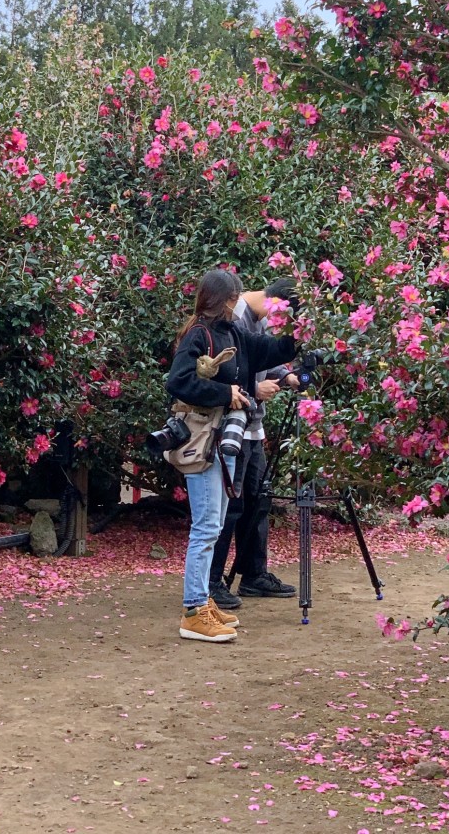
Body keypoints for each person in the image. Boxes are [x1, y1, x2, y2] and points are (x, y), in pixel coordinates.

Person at [166, 268, 296, 643]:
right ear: (220, 299)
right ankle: (194, 610)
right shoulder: (198, 335)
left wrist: (297, 331)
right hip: (205, 440)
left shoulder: (234, 333)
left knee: (217, 520)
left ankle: (203, 601)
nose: (237, 302)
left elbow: (268, 351)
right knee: (206, 526)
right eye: (232, 296)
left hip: (227, 440)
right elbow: (178, 381)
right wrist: (226, 395)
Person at [209, 280, 299, 610]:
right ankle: (213, 581)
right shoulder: (234, 318)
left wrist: (286, 375)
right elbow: (225, 370)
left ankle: (253, 574)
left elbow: (261, 356)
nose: (281, 323)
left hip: (253, 428)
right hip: (232, 429)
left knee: (258, 502)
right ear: (275, 302)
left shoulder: (257, 319)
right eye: (284, 314)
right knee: (229, 508)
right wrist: (254, 389)